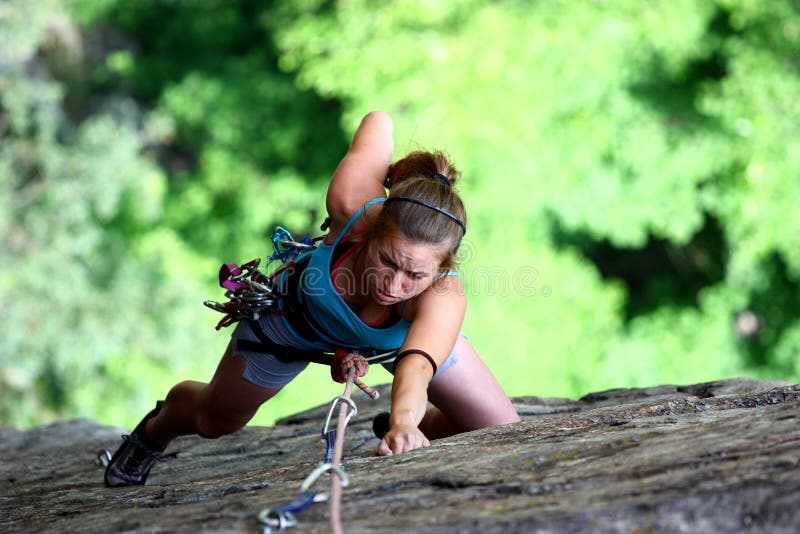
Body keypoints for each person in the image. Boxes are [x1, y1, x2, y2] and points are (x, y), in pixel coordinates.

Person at [104, 110, 520, 487]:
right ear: (373, 231)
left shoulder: (443, 295)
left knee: (497, 426)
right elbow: (378, 122)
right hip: (293, 320)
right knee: (215, 420)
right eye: (387, 261)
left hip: (397, 342)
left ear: (442, 268)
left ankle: (404, 425)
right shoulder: (352, 202)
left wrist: (405, 421)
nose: (394, 285)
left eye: (415, 275)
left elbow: (416, 366)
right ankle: (156, 429)